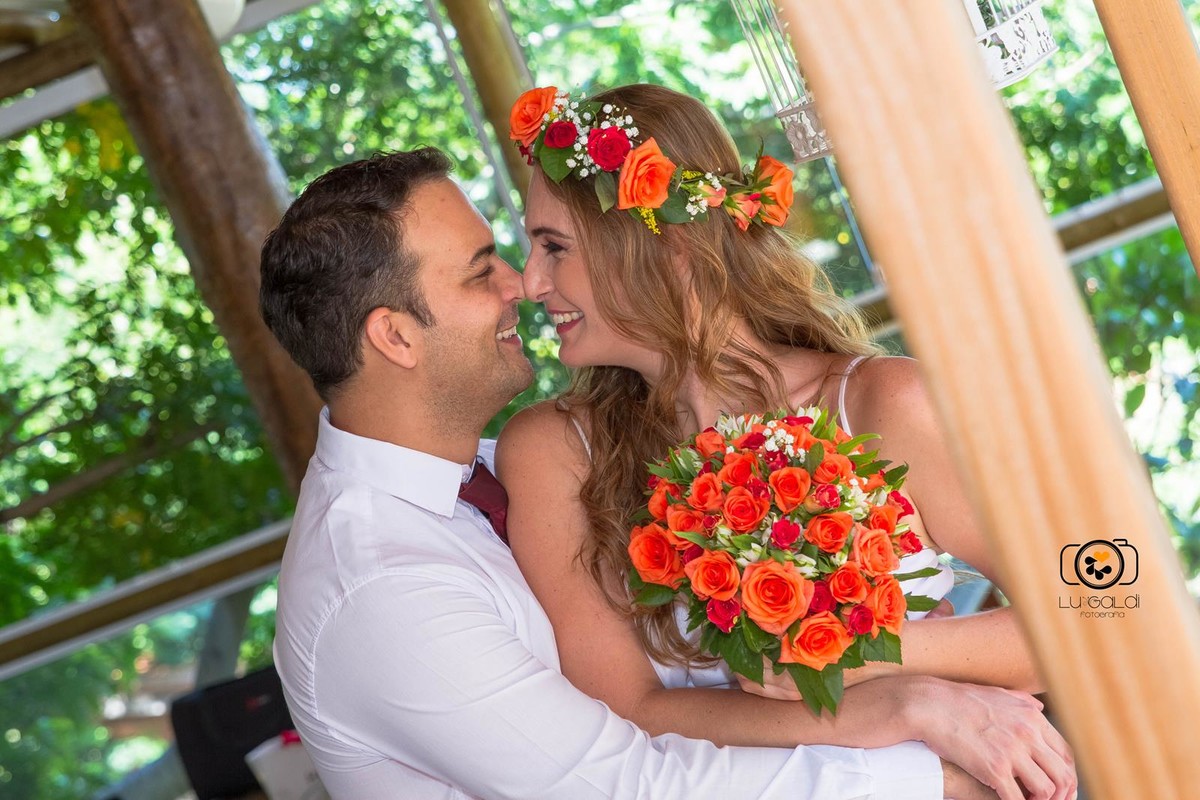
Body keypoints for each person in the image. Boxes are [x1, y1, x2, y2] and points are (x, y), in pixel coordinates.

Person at [259, 148, 987, 798]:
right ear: (395, 336)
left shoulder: (484, 480)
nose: (523, 284)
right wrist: (918, 746)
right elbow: (631, 784)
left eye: (544, 250)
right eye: (484, 271)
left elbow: (1089, 599)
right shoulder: (382, 586)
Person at [496, 84, 1077, 800]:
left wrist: (852, 656)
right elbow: (626, 712)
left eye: (553, 246)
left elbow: (1082, 617)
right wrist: (904, 702)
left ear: (668, 245)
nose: (529, 283)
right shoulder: (553, 450)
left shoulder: (884, 403)